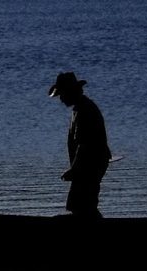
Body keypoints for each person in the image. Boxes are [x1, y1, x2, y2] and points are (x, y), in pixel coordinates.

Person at [49, 72, 111, 217]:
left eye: (62, 95)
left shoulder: (84, 111)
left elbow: (84, 145)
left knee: (81, 203)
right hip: (89, 164)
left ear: (71, 92)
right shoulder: (81, 108)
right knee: (82, 204)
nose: (61, 99)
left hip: (90, 164)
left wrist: (74, 170)